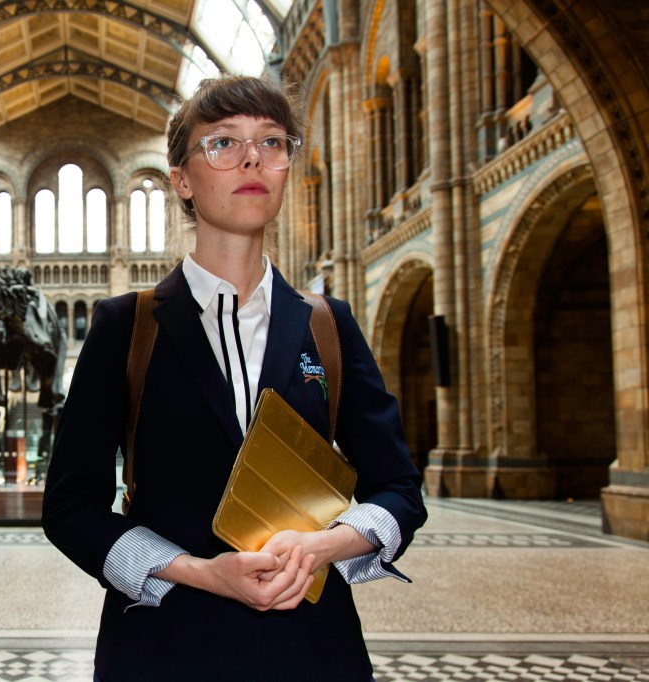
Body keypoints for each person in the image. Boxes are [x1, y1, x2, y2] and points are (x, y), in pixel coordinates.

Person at [42, 75, 427, 681]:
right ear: (183, 180)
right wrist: (199, 571)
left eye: (273, 142)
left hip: (312, 650)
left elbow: (399, 491)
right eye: (223, 143)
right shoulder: (127, 326)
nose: (253, 156)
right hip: (165, 645)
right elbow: (70, 506)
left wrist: (322, 546)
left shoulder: (328, 325)